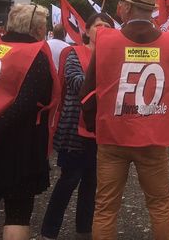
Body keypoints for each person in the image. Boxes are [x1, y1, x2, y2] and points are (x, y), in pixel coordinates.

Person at [79, 0, 169, 239]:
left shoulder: (106, 41)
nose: (118, 5)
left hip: (113, 137)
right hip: (153, 138)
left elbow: (87, 93)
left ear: (127, 8)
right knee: (160, 206)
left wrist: (97, 126)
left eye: (121, 2)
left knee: (106, 209)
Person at [0, 4, 57, 240]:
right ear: (39, 29)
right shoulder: (34, 56)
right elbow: (26, 102)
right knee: (17, 212)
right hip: (18, 145)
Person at [41, 13, 114, 240]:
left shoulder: (114, 57)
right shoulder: (74, 53)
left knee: (91, 185)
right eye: (98, 25)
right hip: (74, 128)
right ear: (87, 30)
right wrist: (107, 79)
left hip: (101, 130)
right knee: (68, 180)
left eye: (107, 26)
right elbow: (76, 82)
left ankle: (84, 231)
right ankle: (49, 231)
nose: (102, 29)